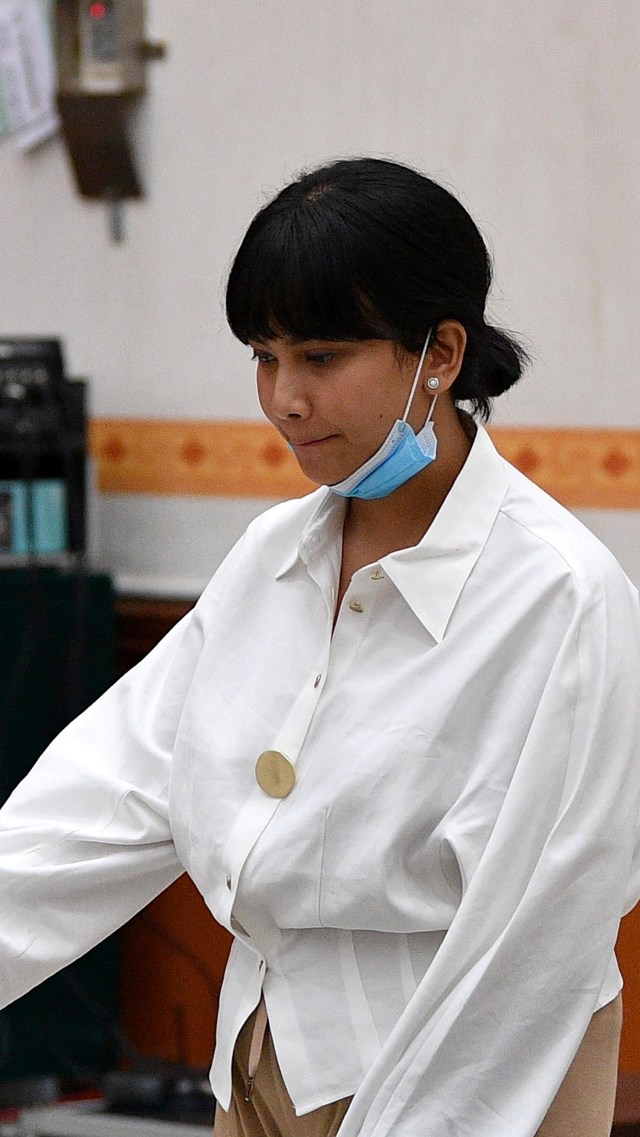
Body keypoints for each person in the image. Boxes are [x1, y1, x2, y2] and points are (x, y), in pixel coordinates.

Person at [1, 157, 639, 1137]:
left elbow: (529, 951)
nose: (284, 400)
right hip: (264, 1057)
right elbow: (114, 788)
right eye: (264, 356)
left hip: (472, 1082)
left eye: (322, 357)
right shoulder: (274, 556)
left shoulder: (559, 598)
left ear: (440, 352)